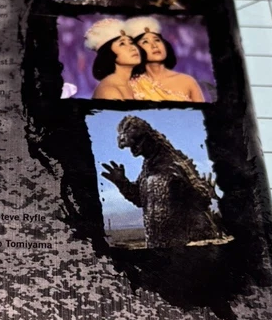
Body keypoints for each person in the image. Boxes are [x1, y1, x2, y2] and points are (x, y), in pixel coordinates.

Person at [101, 115, 227, 248]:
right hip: (156, 245)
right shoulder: (147, 170)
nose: (133, 150)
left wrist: (198, 190)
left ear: (148, 138)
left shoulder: (175, 165)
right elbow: (140, 199)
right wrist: (122, 183)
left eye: (136, 144)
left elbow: (202, 200)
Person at [85, 16, 204, 102]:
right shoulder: (124, 86)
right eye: (145, 42)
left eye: (157, 40)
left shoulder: (188, 81)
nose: (154, 45)